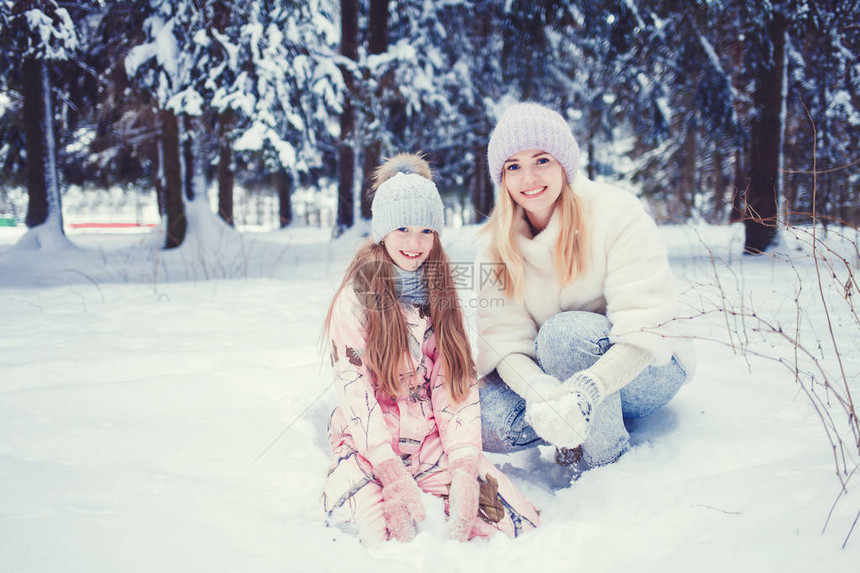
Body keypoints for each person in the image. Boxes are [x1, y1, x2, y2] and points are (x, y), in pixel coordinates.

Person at [322, 153, 539, 545]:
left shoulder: (440, 292)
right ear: (382, 232)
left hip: (430, 439)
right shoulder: (357, 297)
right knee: (364, 538)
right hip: (369, 444)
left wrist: (463, 465)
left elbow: (452, 382)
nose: (415, 243)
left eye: (426, 231)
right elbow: (353, 387)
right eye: (403, 228)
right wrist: (388, 470)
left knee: (516, 526)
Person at [475, 102, 696, 474]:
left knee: (563, 334)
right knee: (483, 415)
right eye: (514, 166)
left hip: (646, 368)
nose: (528, 178)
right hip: (560, 377)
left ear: (564, 163)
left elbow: (646, 326)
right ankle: (565, 425)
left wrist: (587, 390)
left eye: (542, 160)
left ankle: (601, 465)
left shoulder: (616, 212)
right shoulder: (493, 245)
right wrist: (543, 394)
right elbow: (503, 342)